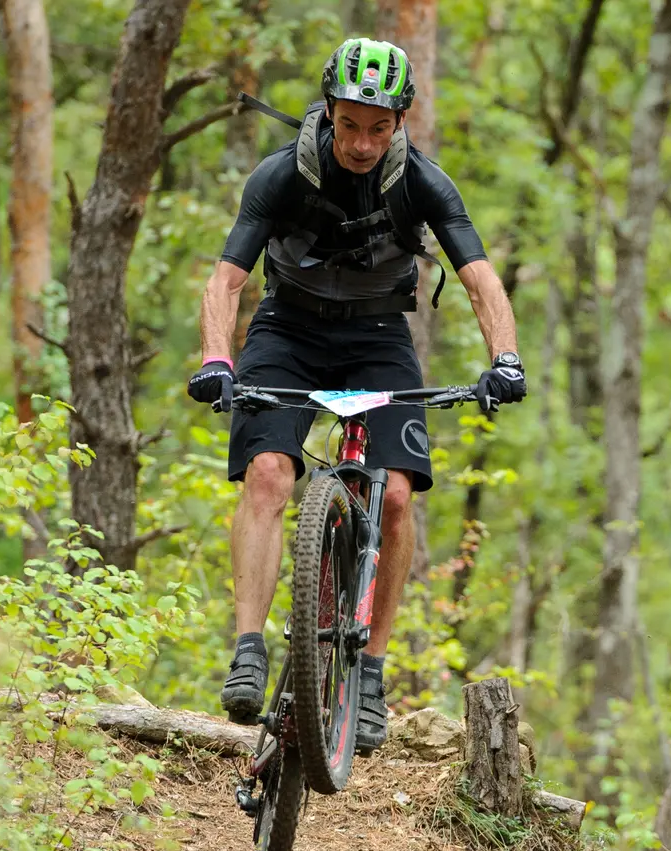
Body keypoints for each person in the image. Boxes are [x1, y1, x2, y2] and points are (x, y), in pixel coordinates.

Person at [187, 37, 526, 754]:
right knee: (269, 474)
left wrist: (506, 360)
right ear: (328, 112)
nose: (364, 143)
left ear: (401, 120)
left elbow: (480, 280)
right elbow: (225, 280)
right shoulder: (281, 175)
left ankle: (368, 673)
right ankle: (249, 649)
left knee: (396, 496)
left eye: (379, 127)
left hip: (378, 339)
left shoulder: (424, 184)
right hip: (288, 331)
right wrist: (218, 358)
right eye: (349, 124)